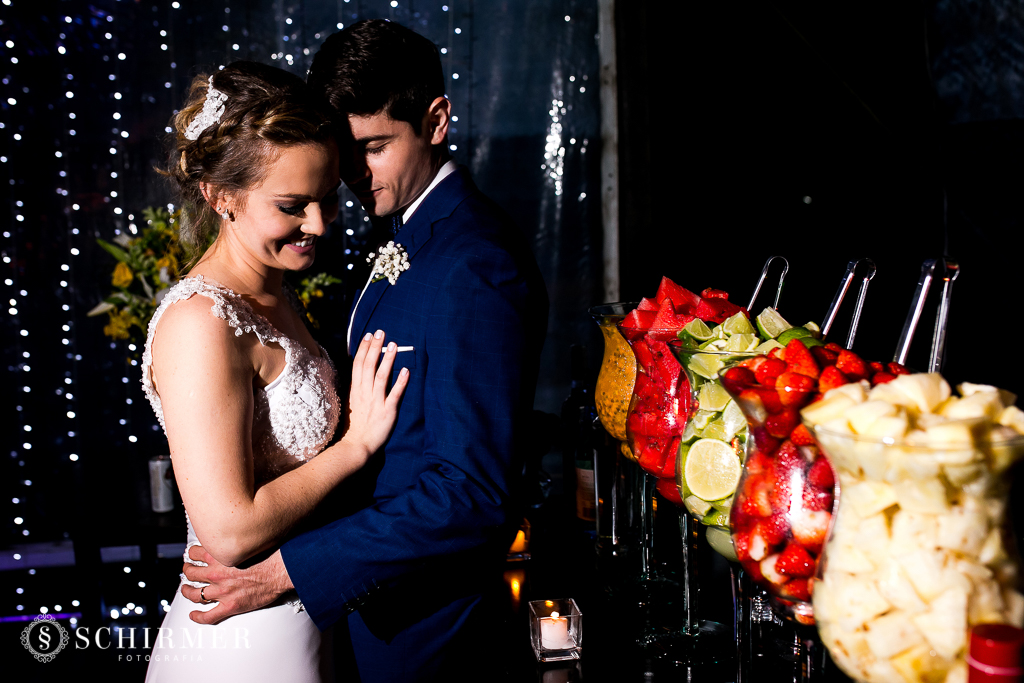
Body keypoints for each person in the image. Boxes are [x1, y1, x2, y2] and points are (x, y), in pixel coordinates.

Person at [182, 20, 549, 681]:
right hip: (355, 623)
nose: (352, 175)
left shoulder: (476, 262)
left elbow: (470, 491)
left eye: (374, 147)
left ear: (436, 120)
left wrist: (295, 568)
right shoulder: (401, 238)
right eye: (344, 153)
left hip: (424, 635)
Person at [142, 61, 408, 681]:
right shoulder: (200, 322)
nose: (319, 224)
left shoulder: (276, 294)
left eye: (325, 199)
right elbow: (230, 533)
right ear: (220, 196)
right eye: (292, 205)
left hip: (305, 615)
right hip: (241, 638)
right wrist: (355, 446)